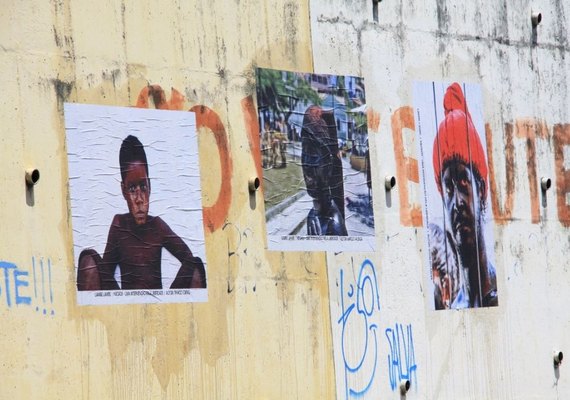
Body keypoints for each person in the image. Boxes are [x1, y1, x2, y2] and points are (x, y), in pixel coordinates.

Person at [76, 135, 206, 291]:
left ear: (150, 187)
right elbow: (105, 275)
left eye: (143, 188)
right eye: (132, 189)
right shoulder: (119, 225)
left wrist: (172, 294)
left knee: (196, 264)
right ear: (124, 191)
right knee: (88, 262)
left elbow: (188, 259)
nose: (139, 199)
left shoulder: (157, 226)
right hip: (123, 306)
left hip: (159, 306)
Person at [430, 83, 497, 309]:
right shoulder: (456, 307)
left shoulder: (500, 297)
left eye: (463, 182)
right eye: (448, 189)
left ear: (481, 190)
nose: (456, 202)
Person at [301, 105, 347, 236]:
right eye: (305, 151)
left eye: (314, 154)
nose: (307, 165)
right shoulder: (313, 215)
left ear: (329, 166)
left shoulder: (334, 226)